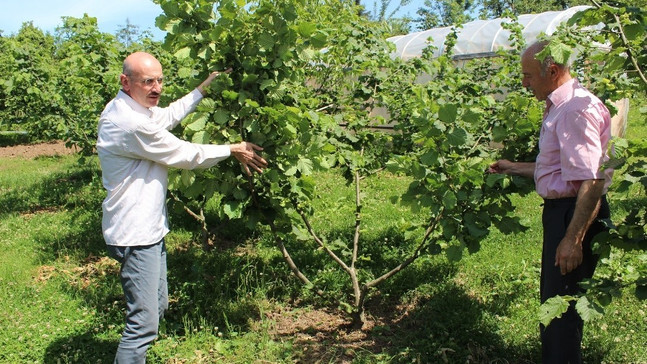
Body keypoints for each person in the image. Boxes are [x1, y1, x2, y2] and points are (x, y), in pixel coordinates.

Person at [96, 51, 267, 363]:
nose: (157, 88)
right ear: (125, 81)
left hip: (149, 229)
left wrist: (202, 89)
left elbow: (168, 116)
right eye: (148, 81)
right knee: (143, 325)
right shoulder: (129, 122)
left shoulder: (132, 107)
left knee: (158, 306)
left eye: (160, 80)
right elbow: (185, 154)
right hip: (135, 235)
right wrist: (232, 149)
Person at [488, 40, 613, 363]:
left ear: (552, 71)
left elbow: (592, 179)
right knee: (556, 303)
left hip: (574, 215)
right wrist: (514, 167)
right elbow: (564, 170)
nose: (524, 83)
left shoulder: (575, 110)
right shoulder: (562, 106)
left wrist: (573, 238)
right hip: (566, 212)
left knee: (561, 312)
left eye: (528, 75)